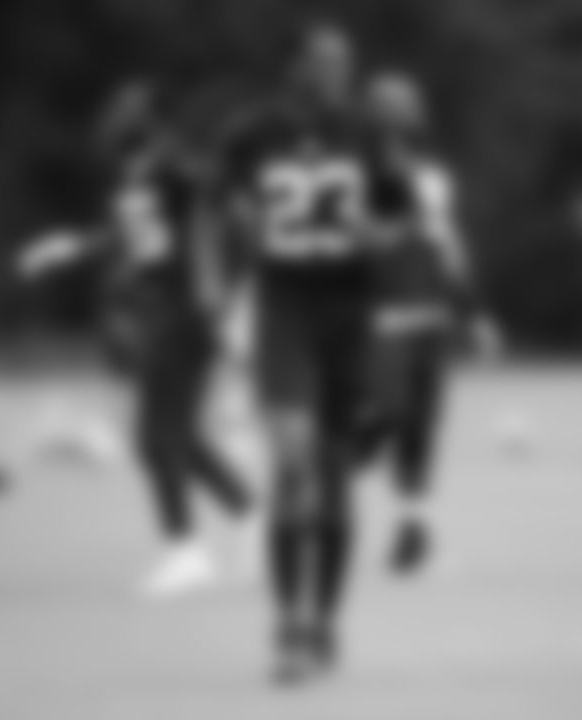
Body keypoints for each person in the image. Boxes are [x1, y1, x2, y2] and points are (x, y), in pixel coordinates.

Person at [211, 22, 394, 684]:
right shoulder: (255, 131)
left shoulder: (369, 131)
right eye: (325, 63)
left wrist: (376, 233)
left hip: (347, 315)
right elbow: (217, 195)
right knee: (293, 463)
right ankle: (288, 623)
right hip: (285, 309)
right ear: (298, 67)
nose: (337, 74)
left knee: (335, 480)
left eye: (345, 63)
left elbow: (401, 217)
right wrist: (233, 231)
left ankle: (325, 620)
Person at [19, 107, 257, 599]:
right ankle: (247, 512)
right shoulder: (139, 184)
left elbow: (219, 205)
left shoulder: (173, 175)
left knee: (155, 438)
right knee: (180, 436)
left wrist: (232, 301)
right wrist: (61, 249)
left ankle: (185, 550)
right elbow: (122, 236)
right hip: (170, 311)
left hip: (188, 312)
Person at [354, 70, 500, 576]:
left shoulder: (432, 176)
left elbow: (448, 245)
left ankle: (412, 529)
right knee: (385, 414)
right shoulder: (354, 174)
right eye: (390, 115)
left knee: (421, 425)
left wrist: (474, 311)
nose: (399, 124)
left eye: (405, 114)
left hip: (429, 311)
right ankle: (332, 482)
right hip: (378, 313)